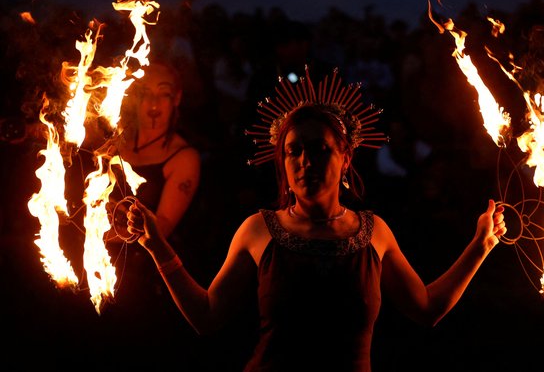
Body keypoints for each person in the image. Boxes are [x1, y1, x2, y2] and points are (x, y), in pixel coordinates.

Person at [124, 67, 506, 371]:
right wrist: (157, 246)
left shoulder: (374, 233)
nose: (305, 161)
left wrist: (481, 246)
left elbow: (426, 309)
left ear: (346, 158)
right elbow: (207, 317)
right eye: (294, 151)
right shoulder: (258, 230)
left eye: (319, 149)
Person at [102, 59, 202, 342]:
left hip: (146, 275)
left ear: (177, 98)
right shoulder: (115, 142)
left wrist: (109, 232)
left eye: (164, 92)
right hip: (98, 262)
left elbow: (164, 227)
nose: (153, 101)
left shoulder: (183, 157)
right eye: (145, 92)